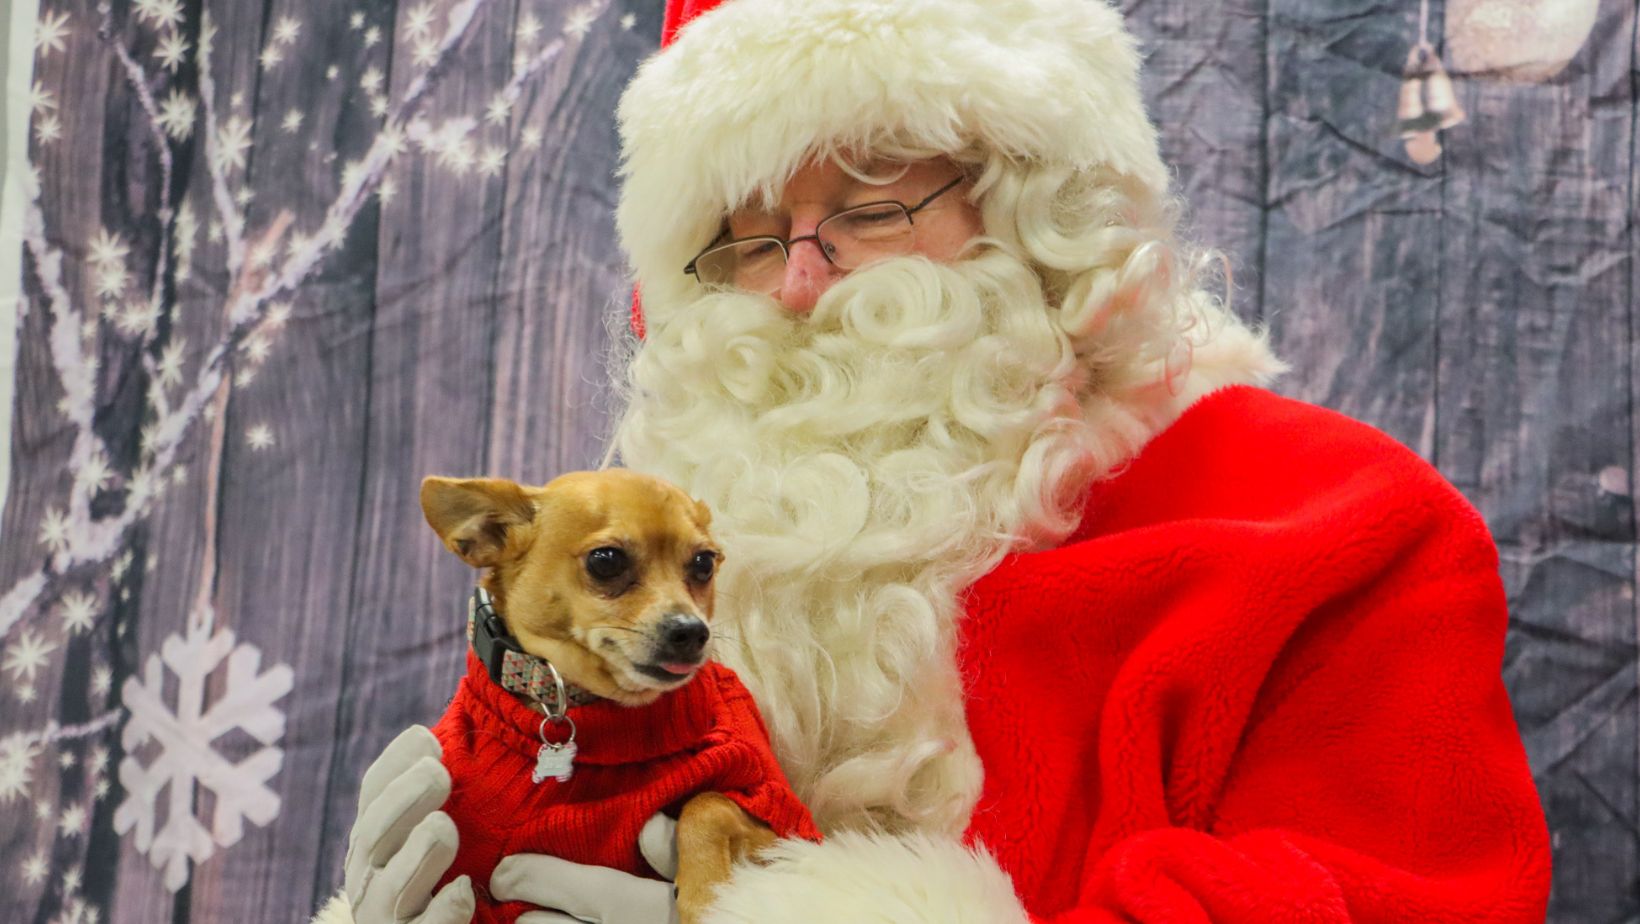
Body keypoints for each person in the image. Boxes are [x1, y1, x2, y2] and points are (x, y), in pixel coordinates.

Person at [317, 0, 1552, 921]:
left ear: (1035, 216)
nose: (798, 282)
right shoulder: (638, 566)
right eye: (746, 237)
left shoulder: (1332, 523)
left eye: (868, 207)